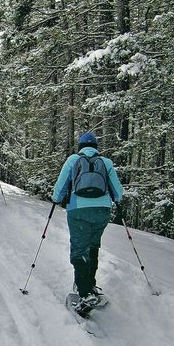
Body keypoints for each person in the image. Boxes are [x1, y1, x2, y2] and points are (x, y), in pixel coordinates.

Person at [52, 131, 123, 312]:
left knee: (79, 248)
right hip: (102, 211)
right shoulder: (106, 163)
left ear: (80, 146)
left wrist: (56, 199)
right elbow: (118, 193)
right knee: (92, 246)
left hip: (78, 210)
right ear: (96, 147)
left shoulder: (73, 160)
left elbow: (60, 186)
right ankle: (89, 285)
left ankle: (84, 293)